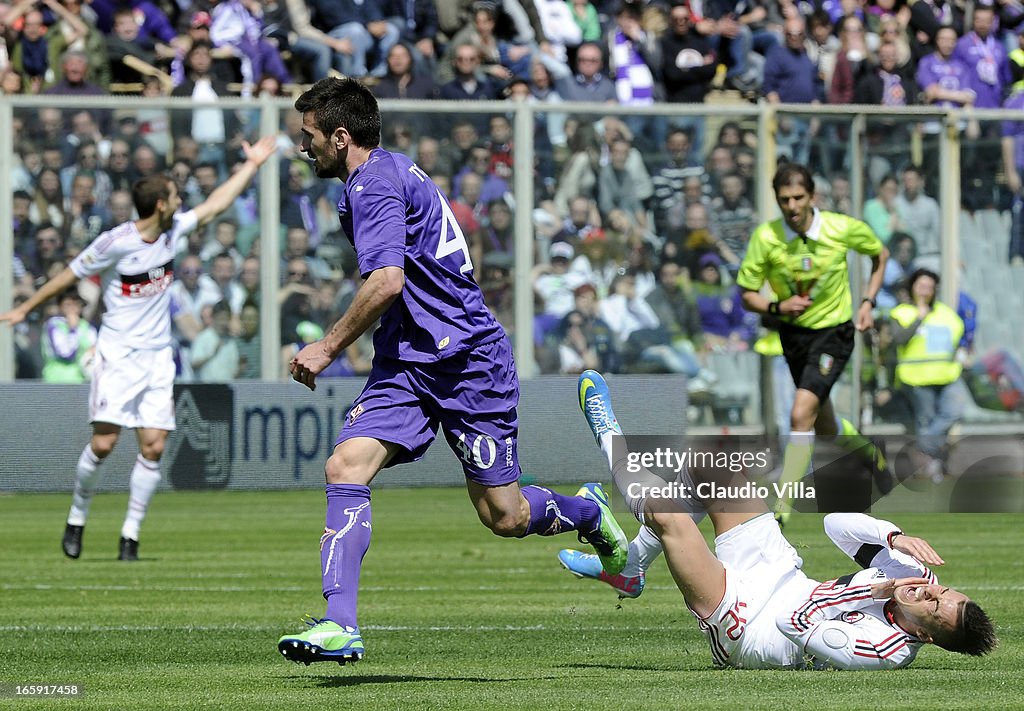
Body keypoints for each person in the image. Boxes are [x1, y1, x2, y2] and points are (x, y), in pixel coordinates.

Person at [276, 77, 628, 666]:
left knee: (505, 516)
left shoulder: (374, 188)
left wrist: (328, 347)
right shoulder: (380, 175)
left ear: (340, 136)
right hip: (408, 361)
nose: (302, 147)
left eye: (308, 136)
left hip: (466, 360)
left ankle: (589, 511)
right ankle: (339, 624)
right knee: (345, 465)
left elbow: (386, 281)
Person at [559, 369, 997, 668]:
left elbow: (795, 623)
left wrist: (877, 589)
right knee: (713, 466)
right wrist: (893, 537)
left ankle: (607, 434)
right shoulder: (915, 573)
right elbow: (835, 526)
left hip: (751, 628)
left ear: (927, 636)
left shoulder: (883, 650)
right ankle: (632, 566)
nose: (930, 594)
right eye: (945, 594)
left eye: (934, 610)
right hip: (779, 571)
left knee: (670, 517)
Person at [0, 136, 277, 562]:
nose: (182, 200)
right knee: (105, 444)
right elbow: (68, 276)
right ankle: (77, 516)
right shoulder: (116, 243)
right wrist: (25, 308)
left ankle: (130, 535)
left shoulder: (174, 230)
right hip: (118, 355)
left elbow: (217, 205)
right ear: (161, 205)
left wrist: (252, 165)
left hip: (157, 358)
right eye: (175, 195)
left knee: (153, 446)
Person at [736, 163, 889, 525]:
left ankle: (782, 508)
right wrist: (777, 306)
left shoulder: (841, 228)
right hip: (793, 336)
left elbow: (879, 256)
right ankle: (871, 456)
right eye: (784, 198)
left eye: (798, 197)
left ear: (812, 197)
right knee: (825, 426)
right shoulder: (767, 237)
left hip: (834, 333)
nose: (791, 205)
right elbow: (746, 294)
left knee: (800, 412)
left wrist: (867, 302)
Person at [889, 269, 967, 483]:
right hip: (916, 378)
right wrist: (918, 319)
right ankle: (933, 468)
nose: (925, 290)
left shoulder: (945, 312)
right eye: (921, 285)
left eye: (929, 287)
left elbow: (959, 336)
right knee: (926, 420)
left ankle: (922, 448)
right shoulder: (901, 313)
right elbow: (898, 340)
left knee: (954, 412)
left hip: (947, 375)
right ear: (912, 287)